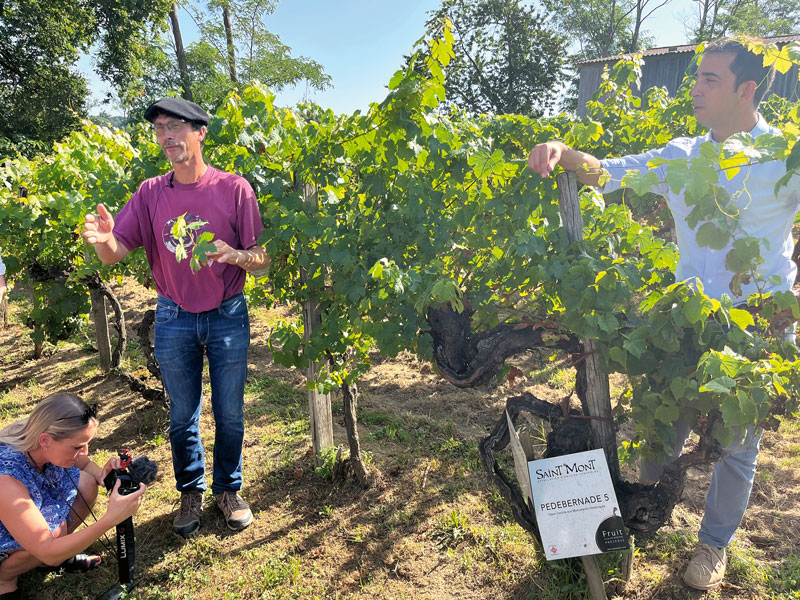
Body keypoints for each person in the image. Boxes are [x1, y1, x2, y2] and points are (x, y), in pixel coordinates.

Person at [528, 38, 800, 590]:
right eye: (696, 77)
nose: (694, 89)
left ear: (746, 90)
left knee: (736, 449)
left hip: (757, 330)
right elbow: (609, 172)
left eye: (710, 80)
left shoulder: (785, 158)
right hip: (684, 324)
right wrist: (562, 149)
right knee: (660, 430)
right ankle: (651, 515)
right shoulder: (683, 155)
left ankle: (713, 546)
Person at [82, 98, 268, 538]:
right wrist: (104, 239)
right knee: (182, 414)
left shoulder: (235, 188)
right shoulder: (149, 193)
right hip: (173, 317)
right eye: (160, 129)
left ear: (200, 131)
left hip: (227, 315)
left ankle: (228, 489)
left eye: (176, 126)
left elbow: (261, 259)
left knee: (230, 413)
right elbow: (114, 255)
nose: (167, 135)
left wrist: (236, 255)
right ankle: (191, 491)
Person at [0, 392, 146, 599]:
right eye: (77, 446)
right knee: (53, 537)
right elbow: (46, 548)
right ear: (45, 440)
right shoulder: (5, 479)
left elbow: (85, 464)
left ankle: (53, 555)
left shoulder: (44, 436)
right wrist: (110, 520)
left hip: (20, 518)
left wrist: (104, 476)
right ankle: (4, 580)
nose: (85, 451)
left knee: (86, 483)